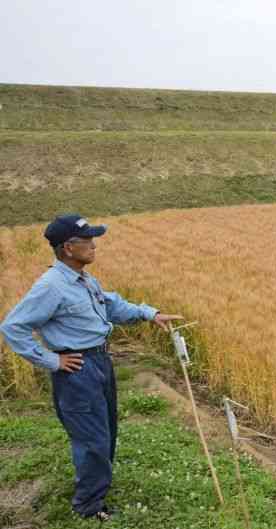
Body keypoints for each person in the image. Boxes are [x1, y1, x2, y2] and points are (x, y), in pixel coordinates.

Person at [0, 214, 183, 522]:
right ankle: (87, 506)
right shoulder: (51, 286)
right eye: (88, 241)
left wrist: (149, 314)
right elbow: (13, 327)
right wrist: (52, 360)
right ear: (69, 248)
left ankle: (97, 487)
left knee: (106, 430)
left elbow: (110, 304)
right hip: (77, 369)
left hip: (100, 361)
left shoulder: (83, 279)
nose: (95, 246)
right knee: (92, 439)